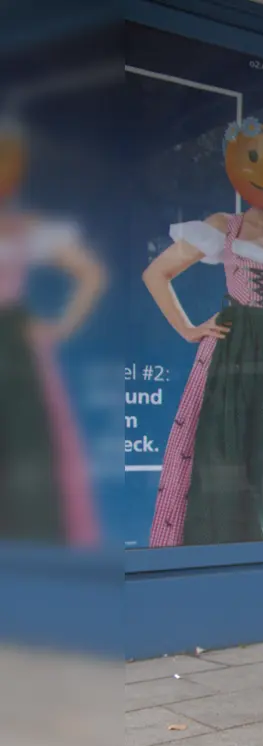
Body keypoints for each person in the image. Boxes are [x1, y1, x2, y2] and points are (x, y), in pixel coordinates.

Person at [143, 117, 263, 547]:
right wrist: (188, 329)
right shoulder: (226, 226)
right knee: (217, 452)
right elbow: (156, 273)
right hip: (228, 355)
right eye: (254, 159)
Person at [0, 116, 105, 547]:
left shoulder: (24, 228)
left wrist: (60, 326)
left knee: (25, 446)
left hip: (10, 347)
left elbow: (90, 273)